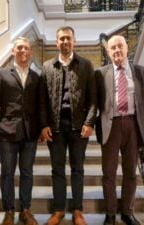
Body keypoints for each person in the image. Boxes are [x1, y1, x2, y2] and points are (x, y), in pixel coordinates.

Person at [39, 26, 97, 225]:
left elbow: (93, 99)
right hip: (55, 127)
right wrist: (44, 125)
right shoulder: (47, 67)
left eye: (68, 38)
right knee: (57, 170)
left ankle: (78, 210)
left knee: (77, 169)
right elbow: (42, 100)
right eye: (61, 38)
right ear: (56, 42)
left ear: (74, 41)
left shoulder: (86, 65)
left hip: (78, 127)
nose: (65, 42)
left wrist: (89, 122)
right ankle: (58, 210)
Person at [95, 35, 144, 225]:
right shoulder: (100, 74)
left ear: (127, 48)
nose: (117, 50)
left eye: (120, 46)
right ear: (108, 52)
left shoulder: (143, 73)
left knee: (130, 173)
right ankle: (110, 213)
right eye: (113, 48)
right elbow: (95, 102)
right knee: (108, 173)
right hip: (111, 126)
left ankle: (127, 212)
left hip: (133, 126)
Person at [0, 37, 40, 225]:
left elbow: (39, 106)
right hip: (6, 133)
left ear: (31, 52)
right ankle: (9, 211)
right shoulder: (2, 74)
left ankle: (25, 210)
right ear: (13, 51)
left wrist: (41, 129)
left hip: (30, 133)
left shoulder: (36, 77)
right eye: (19, 48)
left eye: (26, 48)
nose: (23, 51)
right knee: (8, 173)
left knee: (27, 172)